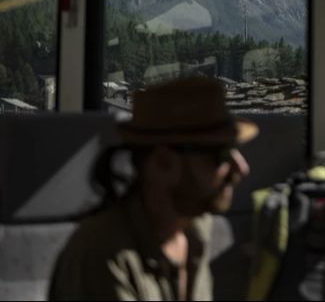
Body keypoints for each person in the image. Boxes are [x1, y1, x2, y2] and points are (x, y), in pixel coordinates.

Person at [48, 76, 257, 301]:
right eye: (221, 155)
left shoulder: (194, 230)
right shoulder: (102, 256)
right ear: (163, 163)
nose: (242, 168)